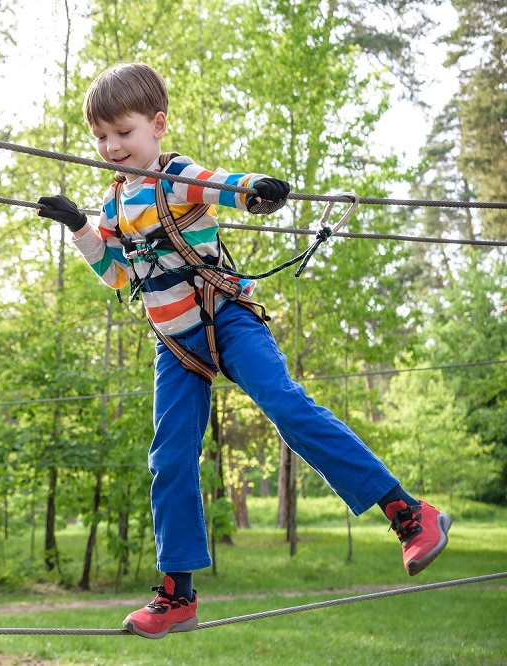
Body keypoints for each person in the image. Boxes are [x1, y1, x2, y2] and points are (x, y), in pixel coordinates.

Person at [36, 62, 452, 640]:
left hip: (225, 317)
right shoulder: (112, 206)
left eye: (123, 133)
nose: (110, 147)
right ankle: (177, 594)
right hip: (176, 344)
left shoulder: (174, 176)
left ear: (157, 126)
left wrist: (257, 191)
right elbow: (116, 277)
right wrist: (81, 227)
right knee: (170, 457)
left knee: (285, 406)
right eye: (100, 137)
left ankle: (408, 513)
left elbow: (223, 183)